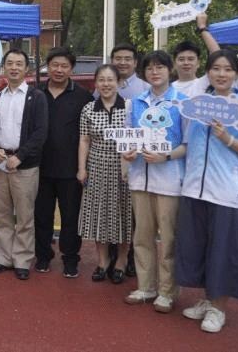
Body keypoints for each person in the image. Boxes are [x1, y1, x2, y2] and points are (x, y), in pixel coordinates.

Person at [176, 49, 238, 333]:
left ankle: (219, 308)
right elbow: (187, 144)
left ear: (237, 73)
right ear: (208, 73)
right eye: (216, 68)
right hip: (194, 189)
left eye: (227, 69)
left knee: (223, 251)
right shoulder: (196, 106)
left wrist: (228, 139)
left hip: (227, 191)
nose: (221, 74)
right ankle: (206, 299)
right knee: (200, 247)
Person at [122, 51, 187, 313]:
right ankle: (146, 286)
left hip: (170, 180)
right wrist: (128, 153)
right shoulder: (135, 102)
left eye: (160, 67)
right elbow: (128, 136)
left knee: (169, 239)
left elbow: (188, 144)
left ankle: (167, 291)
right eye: (150, 68)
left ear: (170, 70)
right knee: (142, 237)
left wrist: (166, 156)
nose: (155, 72)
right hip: (140, 179)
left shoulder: (182, 102)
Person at [0, 49, 48, 281]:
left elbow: (41, 132)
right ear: (4, 67)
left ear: (26, 69)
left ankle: (22, 259)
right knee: (1, 215)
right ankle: (3, 258)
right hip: (0, 163)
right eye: (10, 63)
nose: (14, 68)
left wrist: (20, 156)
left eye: (19, 64)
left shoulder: (36, 97)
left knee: (24, 216)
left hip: (24, 166)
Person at [35, 47, 93, 277]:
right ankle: (42, 256)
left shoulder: (83, 95)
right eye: (55, 65)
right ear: (47, 67)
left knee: (70, 218)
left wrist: (83, 167)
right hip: (39, 167)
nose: (59, 70)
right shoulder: (36, 92)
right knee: (42, 216)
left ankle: (70, 259)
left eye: (64, 66)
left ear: (71, 69)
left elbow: (87, 134)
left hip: (71, 169)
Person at [77, 64, 132, 285]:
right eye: (102, 80)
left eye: (110, 80)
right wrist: (82, 168)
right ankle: (102, 261)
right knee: (99, 215)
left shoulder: (130, 107)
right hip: (97, 167)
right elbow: (84, 140)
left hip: (124, 170)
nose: (106, 84)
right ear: (96, 83)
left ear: (118, 82)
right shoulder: (88, 109)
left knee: (123, 216)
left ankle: (121, 261)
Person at [106, 43, 147, 277]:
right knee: (113, 209)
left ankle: (129, 258)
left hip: (134, 160)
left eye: (127, 58)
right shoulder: (104, 85)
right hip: (105, 159)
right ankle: (113, 256)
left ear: (135, 62)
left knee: (132, 213)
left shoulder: (144, 89)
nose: (122, 62)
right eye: (118, 58)